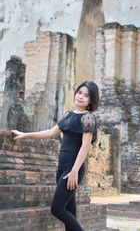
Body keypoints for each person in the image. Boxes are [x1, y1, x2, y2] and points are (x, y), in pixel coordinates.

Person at [11, 80, 99, 231]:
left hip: (72, 169)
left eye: (86, 95)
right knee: (69, 210)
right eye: (79, 92)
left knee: (57, 209)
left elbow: (85, 146)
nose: (81, 96)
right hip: (62, 168)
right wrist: (25, 134)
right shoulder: (69, 114)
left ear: (91, 100)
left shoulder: (88, 118)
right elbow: (51, 133)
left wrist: (74, 171)